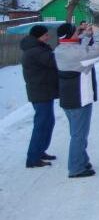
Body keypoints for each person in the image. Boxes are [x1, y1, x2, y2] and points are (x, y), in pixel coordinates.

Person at [54, 23, 99, 178]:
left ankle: (82, 159)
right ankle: (76, 167)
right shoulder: (75, 53)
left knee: (77, 132)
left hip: (68, 97)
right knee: (79, 135)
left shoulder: (60, 49)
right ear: (70, 35)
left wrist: (87, 35)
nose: (79, 33)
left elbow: (78, 47)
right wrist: (97, 33)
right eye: (77, 32)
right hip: (80, 98)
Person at [20, 25, 58, 169]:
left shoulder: (37, 48)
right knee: (41, 125)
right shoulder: (36, 51)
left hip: (42, 91)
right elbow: (54, 61)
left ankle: (40, 151)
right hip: (40, 92)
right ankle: (33, 158)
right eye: (45, 35)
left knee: (48, 122)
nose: (48, 37)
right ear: (38, 36)